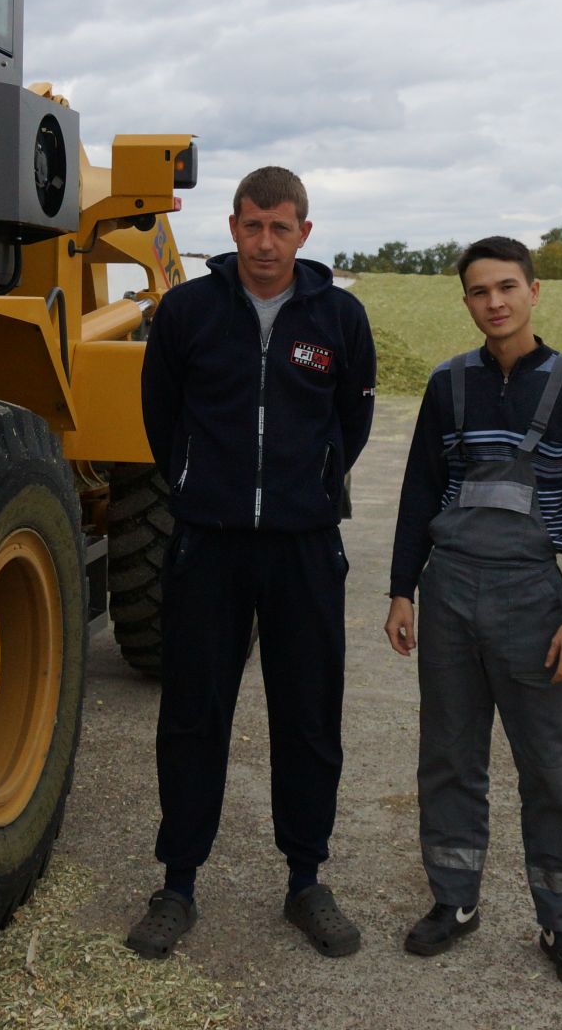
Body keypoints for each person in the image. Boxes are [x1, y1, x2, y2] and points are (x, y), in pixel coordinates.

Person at [126, 166, 378, 961]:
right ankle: (177, 883)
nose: (265, 242)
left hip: (305, 547)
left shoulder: (339, 316)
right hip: (209, 544)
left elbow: (354, 419)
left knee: (307, 716)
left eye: (281, 227)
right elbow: (161, 420)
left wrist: (308, 488)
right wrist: (207, 486)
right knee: (194, 715)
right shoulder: (187, 312)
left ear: (305, 233)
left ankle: (306, 882)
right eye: (251, 225)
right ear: (231, 228)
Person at [383, 234, 562, 992]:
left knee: (549, 768)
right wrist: (401, 589)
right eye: (480, 291)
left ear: (534, 291)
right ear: (467, 300)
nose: (495, 302)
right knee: (449, 757)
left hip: (530, 597)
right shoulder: (449, 385)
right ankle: (454, 902)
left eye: (508, 287)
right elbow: (421, 492)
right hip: (449, 591)